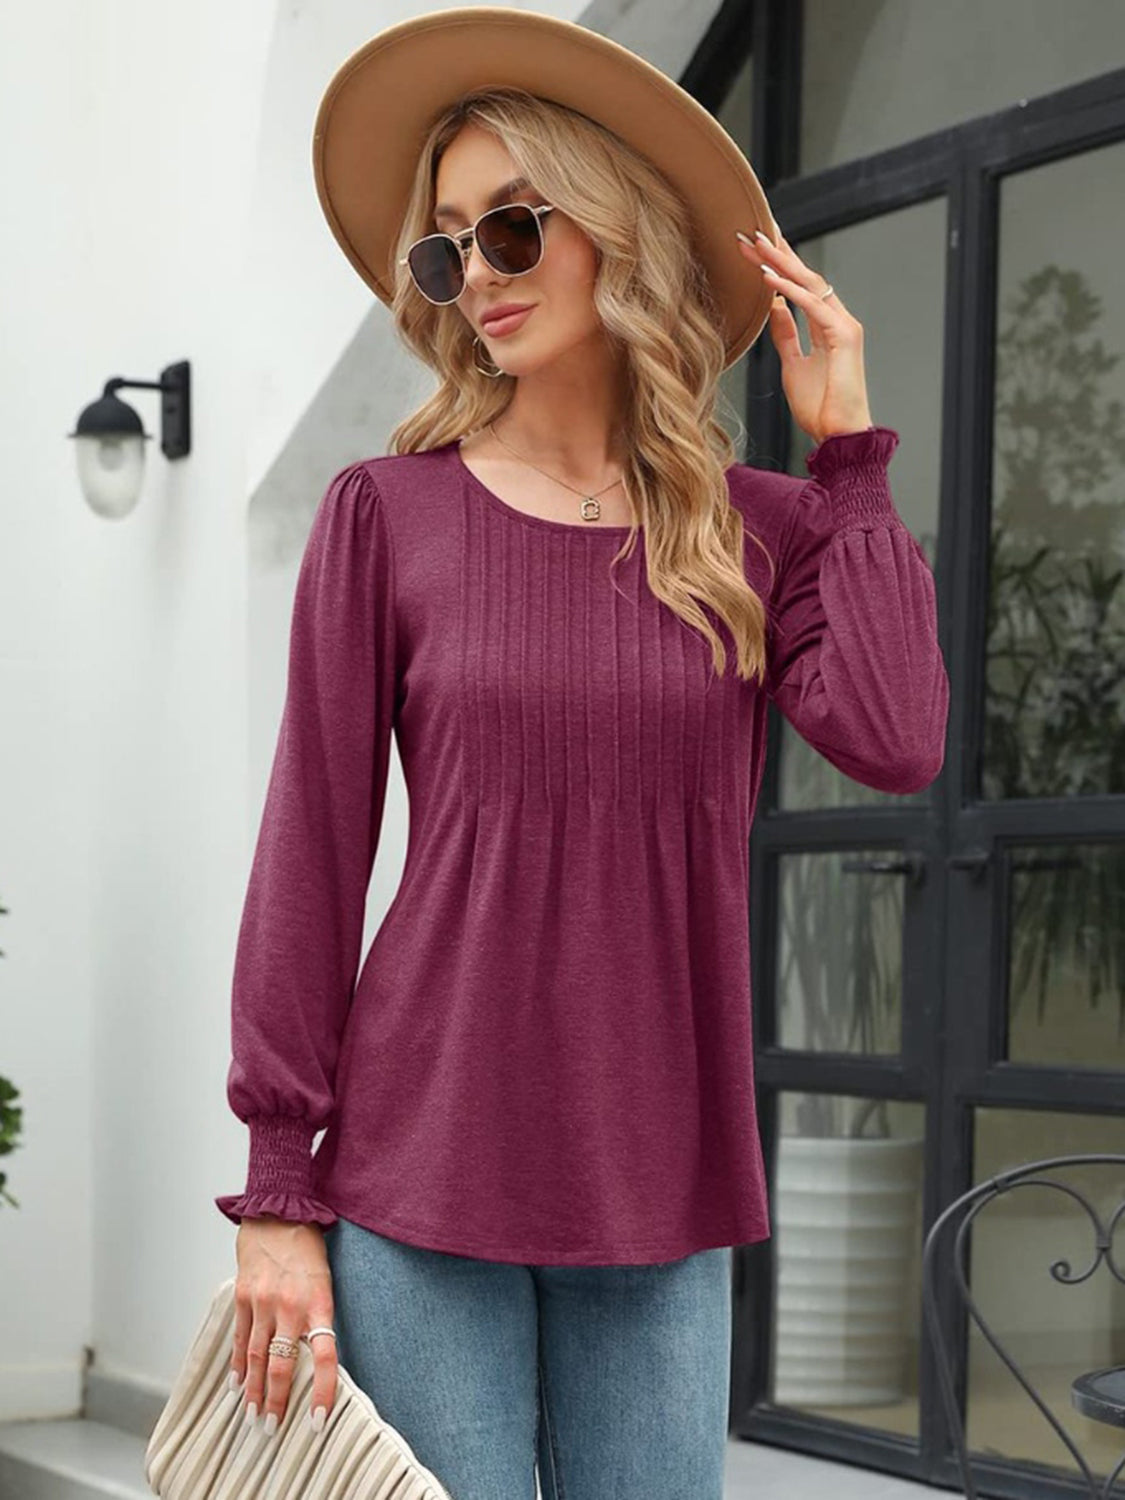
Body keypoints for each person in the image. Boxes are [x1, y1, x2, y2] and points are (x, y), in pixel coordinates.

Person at [213, 9, 950, 1498]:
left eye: (510, 226)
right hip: (422, 1174)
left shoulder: (760, 529)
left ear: (615, 226)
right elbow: (312, 851)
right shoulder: (387, 517)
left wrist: (850, 460)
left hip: (662, 1184)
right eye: (445, 250)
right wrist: (279, 1190)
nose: (476, 274)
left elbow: (895, 737)